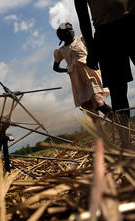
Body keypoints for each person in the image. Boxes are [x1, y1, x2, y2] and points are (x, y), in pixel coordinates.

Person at [74, 0, 134, 147]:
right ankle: (126, 145)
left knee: (118, 92)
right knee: (118, 92)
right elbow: (83, 17)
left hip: (131, 21)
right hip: (106, 34)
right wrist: (92, 49)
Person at [53, 23, 111, 120]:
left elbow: (94, 50)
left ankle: (120, 123)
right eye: (67, 30)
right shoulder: (61, 51)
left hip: (90, 75)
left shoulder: (82, 40)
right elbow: (56, 67)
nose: (71, 31)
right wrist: (67, 69)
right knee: (89, 110)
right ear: (62, 35)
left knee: (98, 102)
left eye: (71, 29)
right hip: (77, 81)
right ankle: (101, 133)